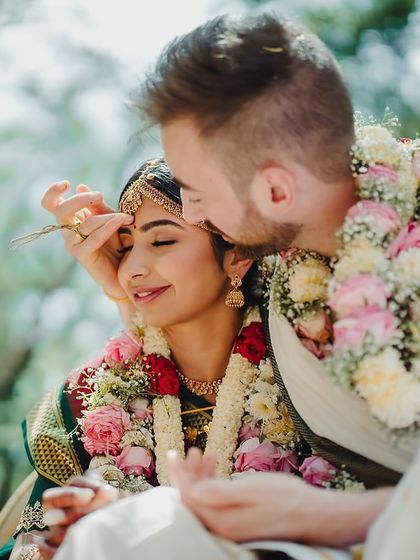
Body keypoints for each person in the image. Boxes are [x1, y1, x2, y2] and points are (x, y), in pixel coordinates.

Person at [33, 11, 420, 560]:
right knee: (121, 534)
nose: (192, 210)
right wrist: (123, 290)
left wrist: (327, 516)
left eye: (193, 189)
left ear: (277, 193)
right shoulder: (294, 282)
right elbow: (201, 336)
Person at [8, 156, 372, 560]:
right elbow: (30, 539)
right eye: (126, 248)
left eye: (162, 241)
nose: (133, 270)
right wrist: (57, 542)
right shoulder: (87, 399)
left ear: (237, 253)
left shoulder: (309, 369)